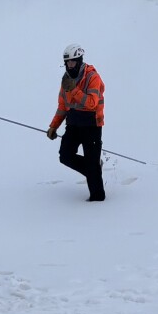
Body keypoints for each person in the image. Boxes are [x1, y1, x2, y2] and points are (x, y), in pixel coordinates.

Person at [47, 43, 106, 202]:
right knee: (65, 156)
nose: (69, 65)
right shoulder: (66, 80)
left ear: (79, 60)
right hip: (73, 125)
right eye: (67, 62)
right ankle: (93, 168)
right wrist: (54, 126)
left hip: (91, 125)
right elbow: (62, 106)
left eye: (72, 62)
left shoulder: (92, 77)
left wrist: (74, 90)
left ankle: (97, 201)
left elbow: (92, 103)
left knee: (93, 168)